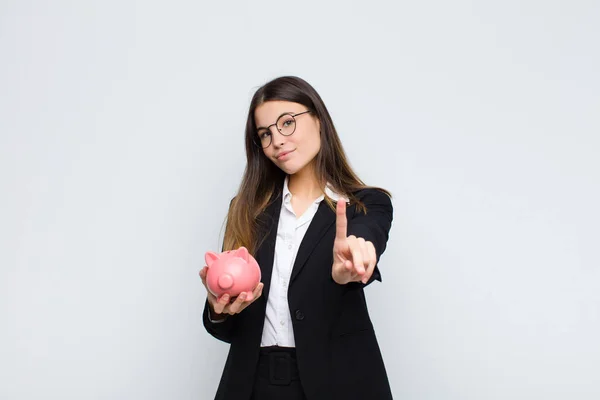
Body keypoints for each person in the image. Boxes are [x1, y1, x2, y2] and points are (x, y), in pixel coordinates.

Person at [199, 76, 394, 400]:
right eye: (265, 134)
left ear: (318, 119)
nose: (277, 140)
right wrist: (220, 309)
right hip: (253, 383)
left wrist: (356, 259)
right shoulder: (246, 209)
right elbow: (229, 328)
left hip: (339, 382)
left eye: (286, 123)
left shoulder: (366, 204)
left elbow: (366, 239)